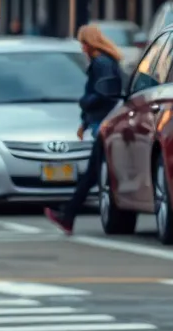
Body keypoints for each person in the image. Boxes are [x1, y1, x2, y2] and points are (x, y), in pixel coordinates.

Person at [44, 24, 125, 235]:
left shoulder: (102, 64)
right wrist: (84, 122)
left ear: (90, 44)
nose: (82, 48)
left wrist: (84, 103)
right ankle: (67, 215)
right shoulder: (106, 62)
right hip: (103, 121)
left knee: (92, 174)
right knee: (93, 173)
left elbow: (104, 94)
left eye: (83, 44)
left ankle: (68, 216)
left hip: (105, 123)